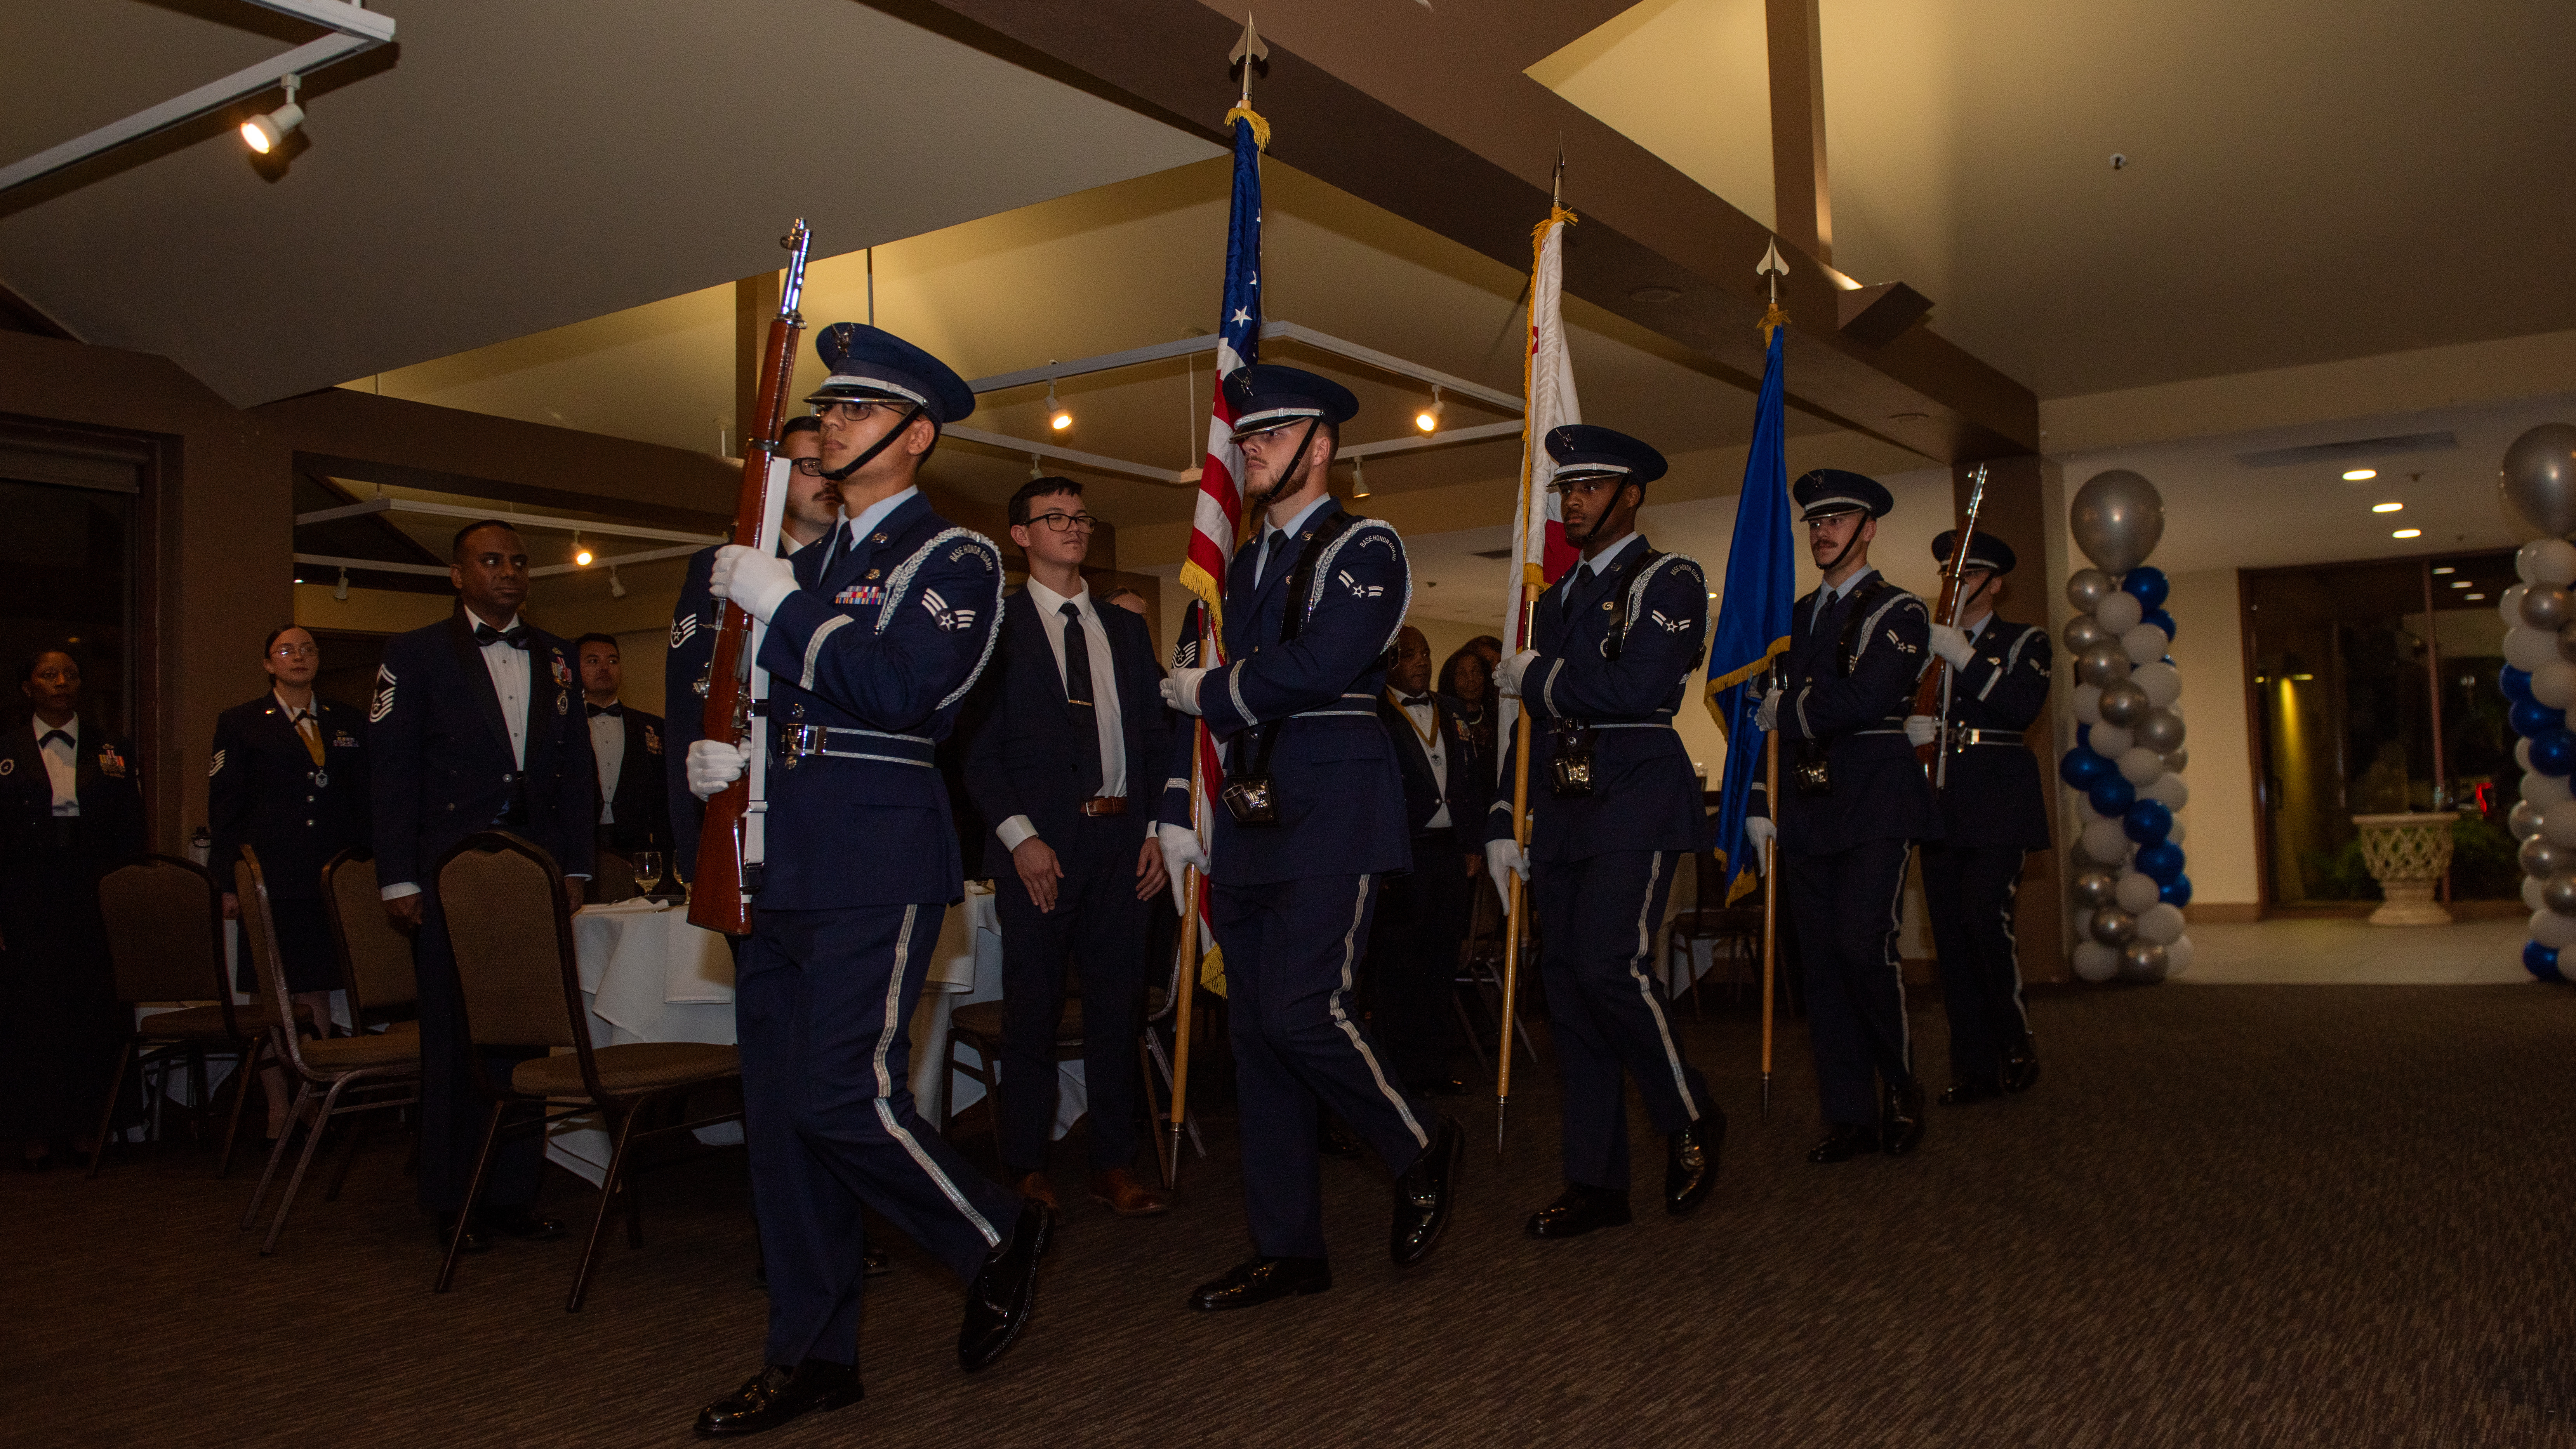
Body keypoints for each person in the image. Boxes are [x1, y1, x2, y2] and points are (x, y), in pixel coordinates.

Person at [686, 323, 1046, 1437]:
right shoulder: (817, 559)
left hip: (874, 859)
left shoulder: (959, 560)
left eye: (853, 410)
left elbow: (899, 692)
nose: (827, 423)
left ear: (915, 434)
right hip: (777, 853)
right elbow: (796, 693)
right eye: (826, 408)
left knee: (846, 1092)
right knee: (782, 1119)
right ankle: (811, 1353)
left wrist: (778, 605)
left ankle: (997, 1231)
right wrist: (732, 753)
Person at [1155, 363, 1462, 1313]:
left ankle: (1417, 1143)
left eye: (1270, 437)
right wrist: (1180, 800)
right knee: (1254, 1038)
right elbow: (1220, 669)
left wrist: (1213, 691)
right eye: (1244, 438)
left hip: (1332, 811)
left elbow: (1325, 661)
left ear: (1319, 446)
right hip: (1251, 817)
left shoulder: (1363, 545)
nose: (1249, 450)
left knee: (1302, 1012)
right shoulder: (1243, 562)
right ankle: (1287, 1244)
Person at [1484, 425, 1723, 1240]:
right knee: (1568, 988)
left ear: (1632, 495)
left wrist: (1540, 678)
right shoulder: (1555, 600)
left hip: (1632, 795)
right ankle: (1595, 1180)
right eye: (1567, 490)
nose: (1574, 502)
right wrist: (1497, 817)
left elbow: (1638, 685)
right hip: (1560, 805)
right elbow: (1531, 728)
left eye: (1590, 488)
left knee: (1609, 964)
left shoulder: (1669, 579)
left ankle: (1688, 1114)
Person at [371, 521, 595, 1249]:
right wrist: (399, 877)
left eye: (518, 561)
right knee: (454, 1038)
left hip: (531, 870)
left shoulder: (558, 656)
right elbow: (392, 772)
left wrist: (575, 865)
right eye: (490, 560)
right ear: (458, 575)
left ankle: (509, 1196)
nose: (507, 572)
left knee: (524, 1038)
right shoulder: (414, 654)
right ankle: (449, 1199)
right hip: (447, 873)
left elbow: (575, 775)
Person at [958, 476, 1173, 1218]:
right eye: (1054, 518)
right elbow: (976, 751)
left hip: (1124, 844)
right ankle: (1023, 1165)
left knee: (1119, 1012)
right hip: (1039, 849)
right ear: (1020, 535)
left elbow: (1154, 736)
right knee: (1033, 1014)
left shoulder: (1120, 627)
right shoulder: (997, 628)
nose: (1073, 527)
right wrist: (1020, 838)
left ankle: (1114, 1163)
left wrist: (1155, 831)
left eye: (1080, 517)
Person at [1742, 469, 1942, 1164]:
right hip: (1807, 800)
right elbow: (1771, 713)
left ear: (1868, 528)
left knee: (1863, 946)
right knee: (1822, 963)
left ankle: (1899, 1086)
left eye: (1836, 519)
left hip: (1873, 800)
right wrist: (1762, 801)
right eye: (1813, 520)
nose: (1821, 531)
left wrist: (1788, 709)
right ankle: (1848, 1111)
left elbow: (1865, 699)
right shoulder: (1793, 617)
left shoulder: (1899, 611)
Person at [1904, 532, 2051, 1103]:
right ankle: (1972, 1065)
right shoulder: (1927, 649)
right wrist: (1908, 731)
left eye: (1965, 575)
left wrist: (1962, 656)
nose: (1954, 585)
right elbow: (1903, 706)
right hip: (1941, 806)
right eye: (1948, 575)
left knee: (1982, 918)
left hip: (1998, 806)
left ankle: (2014, 1042)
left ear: (1993, 584)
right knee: (1950, 937)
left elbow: (2019, 706)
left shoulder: (2021, 641)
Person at [209, 625, 371, 1136]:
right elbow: (226, 808)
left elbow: (364, 800)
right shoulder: (240, 723)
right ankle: (278, 1110)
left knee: (318, 991)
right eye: (286, 651)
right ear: (268, 663)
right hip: (269, 878)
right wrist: (227, 882)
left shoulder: (346, 719)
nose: (298, 658)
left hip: (328, 877)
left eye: (307, 650)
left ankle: (314, 1101)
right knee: (272, 994)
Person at [666, 415, 836, 884]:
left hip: (835, 816)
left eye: (834, 464)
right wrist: (692, 838)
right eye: (808, 465)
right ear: (774, 479)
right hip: (744, 808)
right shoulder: (721, 566)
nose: (826, 478)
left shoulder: (866, 572)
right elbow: (690, 707)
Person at [0, 649, 142, 1170]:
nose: (61, 682)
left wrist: (128, 901)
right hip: (28, 896)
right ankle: (33, 1131)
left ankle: (93, 1124)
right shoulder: (7, 751)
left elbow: (132, 832)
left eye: (70, 675)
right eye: (48, 675)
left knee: (94, 1010)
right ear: (27, 687)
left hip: (95, 891)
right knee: (32, 1014)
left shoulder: (113, 749)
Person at [1366, 625, 1489, 1096]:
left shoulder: (1451, 709)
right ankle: (1397, 1071)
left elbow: (1470, 780)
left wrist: (1473, 843)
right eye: (1411, 654)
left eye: (1426, 653)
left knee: (1440, 962)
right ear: (1390, 662)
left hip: (1449, 853)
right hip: (1402, 853)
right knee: (1399, 967)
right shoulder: (1377, 711)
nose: (1422, 661)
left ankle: (1434, 1066)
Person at [574, 632, 670, 866]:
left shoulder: (653, 726)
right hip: (582, 840)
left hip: (640, 843)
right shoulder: (562, 726)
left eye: (613, 661)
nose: (605, 668)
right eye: (593, 661)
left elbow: (664, 793)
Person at [1438, 643, 1498, 784]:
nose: (1471, 679)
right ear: (1451, 679)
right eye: (1462, 673)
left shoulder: (1498, 721)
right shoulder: (1442, 722)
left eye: (1476, 672)